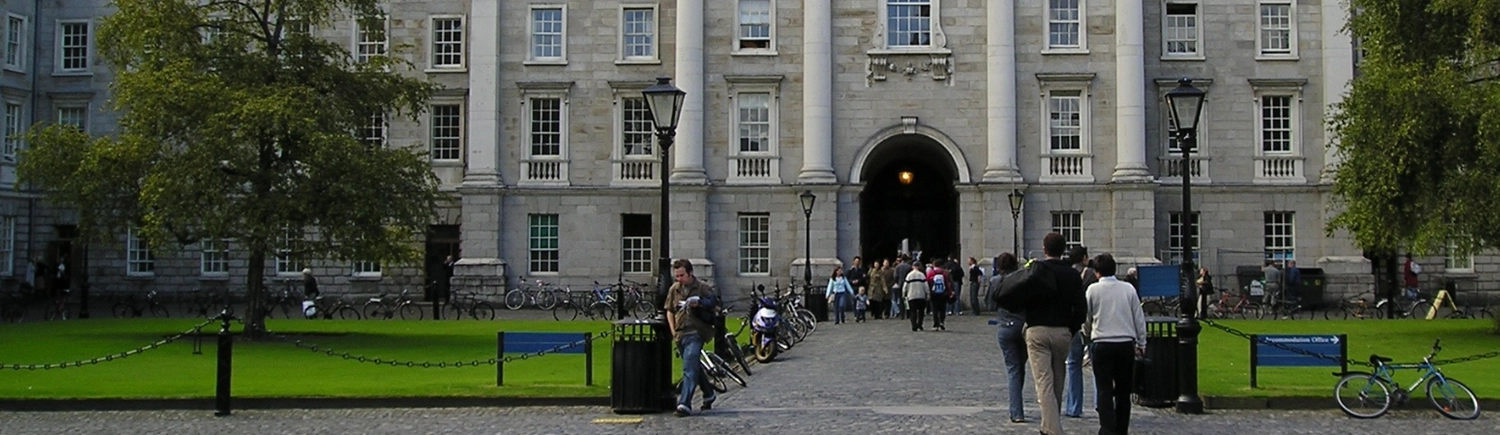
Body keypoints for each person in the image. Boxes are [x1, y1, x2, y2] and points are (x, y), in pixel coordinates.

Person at [1014, 232, 1087, 435]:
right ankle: (1047, 427)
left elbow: (1021, 299)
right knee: (1057, 381)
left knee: (1044, 382)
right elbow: (1081, 308)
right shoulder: (1072, 274)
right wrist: (1071, 328)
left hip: (1037, 329)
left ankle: (1054, 430)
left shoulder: (1035, 271)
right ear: (1063, 250)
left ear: (1044, 249)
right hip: (1062, 331)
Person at [1082, 253, 1147, 435]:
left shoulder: (1093, 290)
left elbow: (1086, 318)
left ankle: (1107, 429)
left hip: (1102, 343)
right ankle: (1121, 429)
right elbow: (1138, 318)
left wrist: (1087, 334)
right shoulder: (1128, 289)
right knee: (1123, 391)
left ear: (1097, 272)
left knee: (1104, 389)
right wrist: (1142, 342)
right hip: (1125, 343)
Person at [663, 259, 717, 417]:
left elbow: (714, 303)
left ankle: (684, 403)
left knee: (689, 368)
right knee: (693, 366)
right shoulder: (674, 289)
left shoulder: (702, 287)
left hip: (696, 331)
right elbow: (669, 310)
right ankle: (709, 393)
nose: (679, 279)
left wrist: (699, 303)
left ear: (690, 273)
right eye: (677, 276)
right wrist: (673, 331)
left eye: (682, 275)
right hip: (681, 333)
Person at [989, 252, 1028, 423]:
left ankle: (1016, 411)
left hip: (1005, 325)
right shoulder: (1024, 279)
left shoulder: (996, 281)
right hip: (1023, 326)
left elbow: (990, 304)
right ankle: (1017, 406)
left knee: (1013, 369)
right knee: (1020, 367)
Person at [1063, 245, 1097, 419]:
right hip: (1091, 323)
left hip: (1073, 323)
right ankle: (1099, 404)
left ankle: (1074, 407)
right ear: (1084, 258)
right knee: (1096, 366)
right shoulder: (1092, 275)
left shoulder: (1067, 274)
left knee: (1073, 365)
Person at [902, 263, 929, 332]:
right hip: (921, 295)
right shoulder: (922, 275)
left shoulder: (909, 275)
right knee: (921, 311)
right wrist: (928, 294)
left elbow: (905, 286)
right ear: (919, 267)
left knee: (912, 311)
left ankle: (914, 325)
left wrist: (903, 294)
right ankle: (920, 324)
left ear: (912, 267)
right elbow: (926, 286)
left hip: (911, 295)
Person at [926, 260, 950, 330]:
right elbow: (947, 284)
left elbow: (927, 283)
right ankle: (942, 322)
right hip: (943, 293)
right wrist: (949, 292)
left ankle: (936, 324)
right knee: (942, 309)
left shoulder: (931, 273)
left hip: (934, 293)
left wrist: (928, 292)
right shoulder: (944, 273)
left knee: (935, 309)